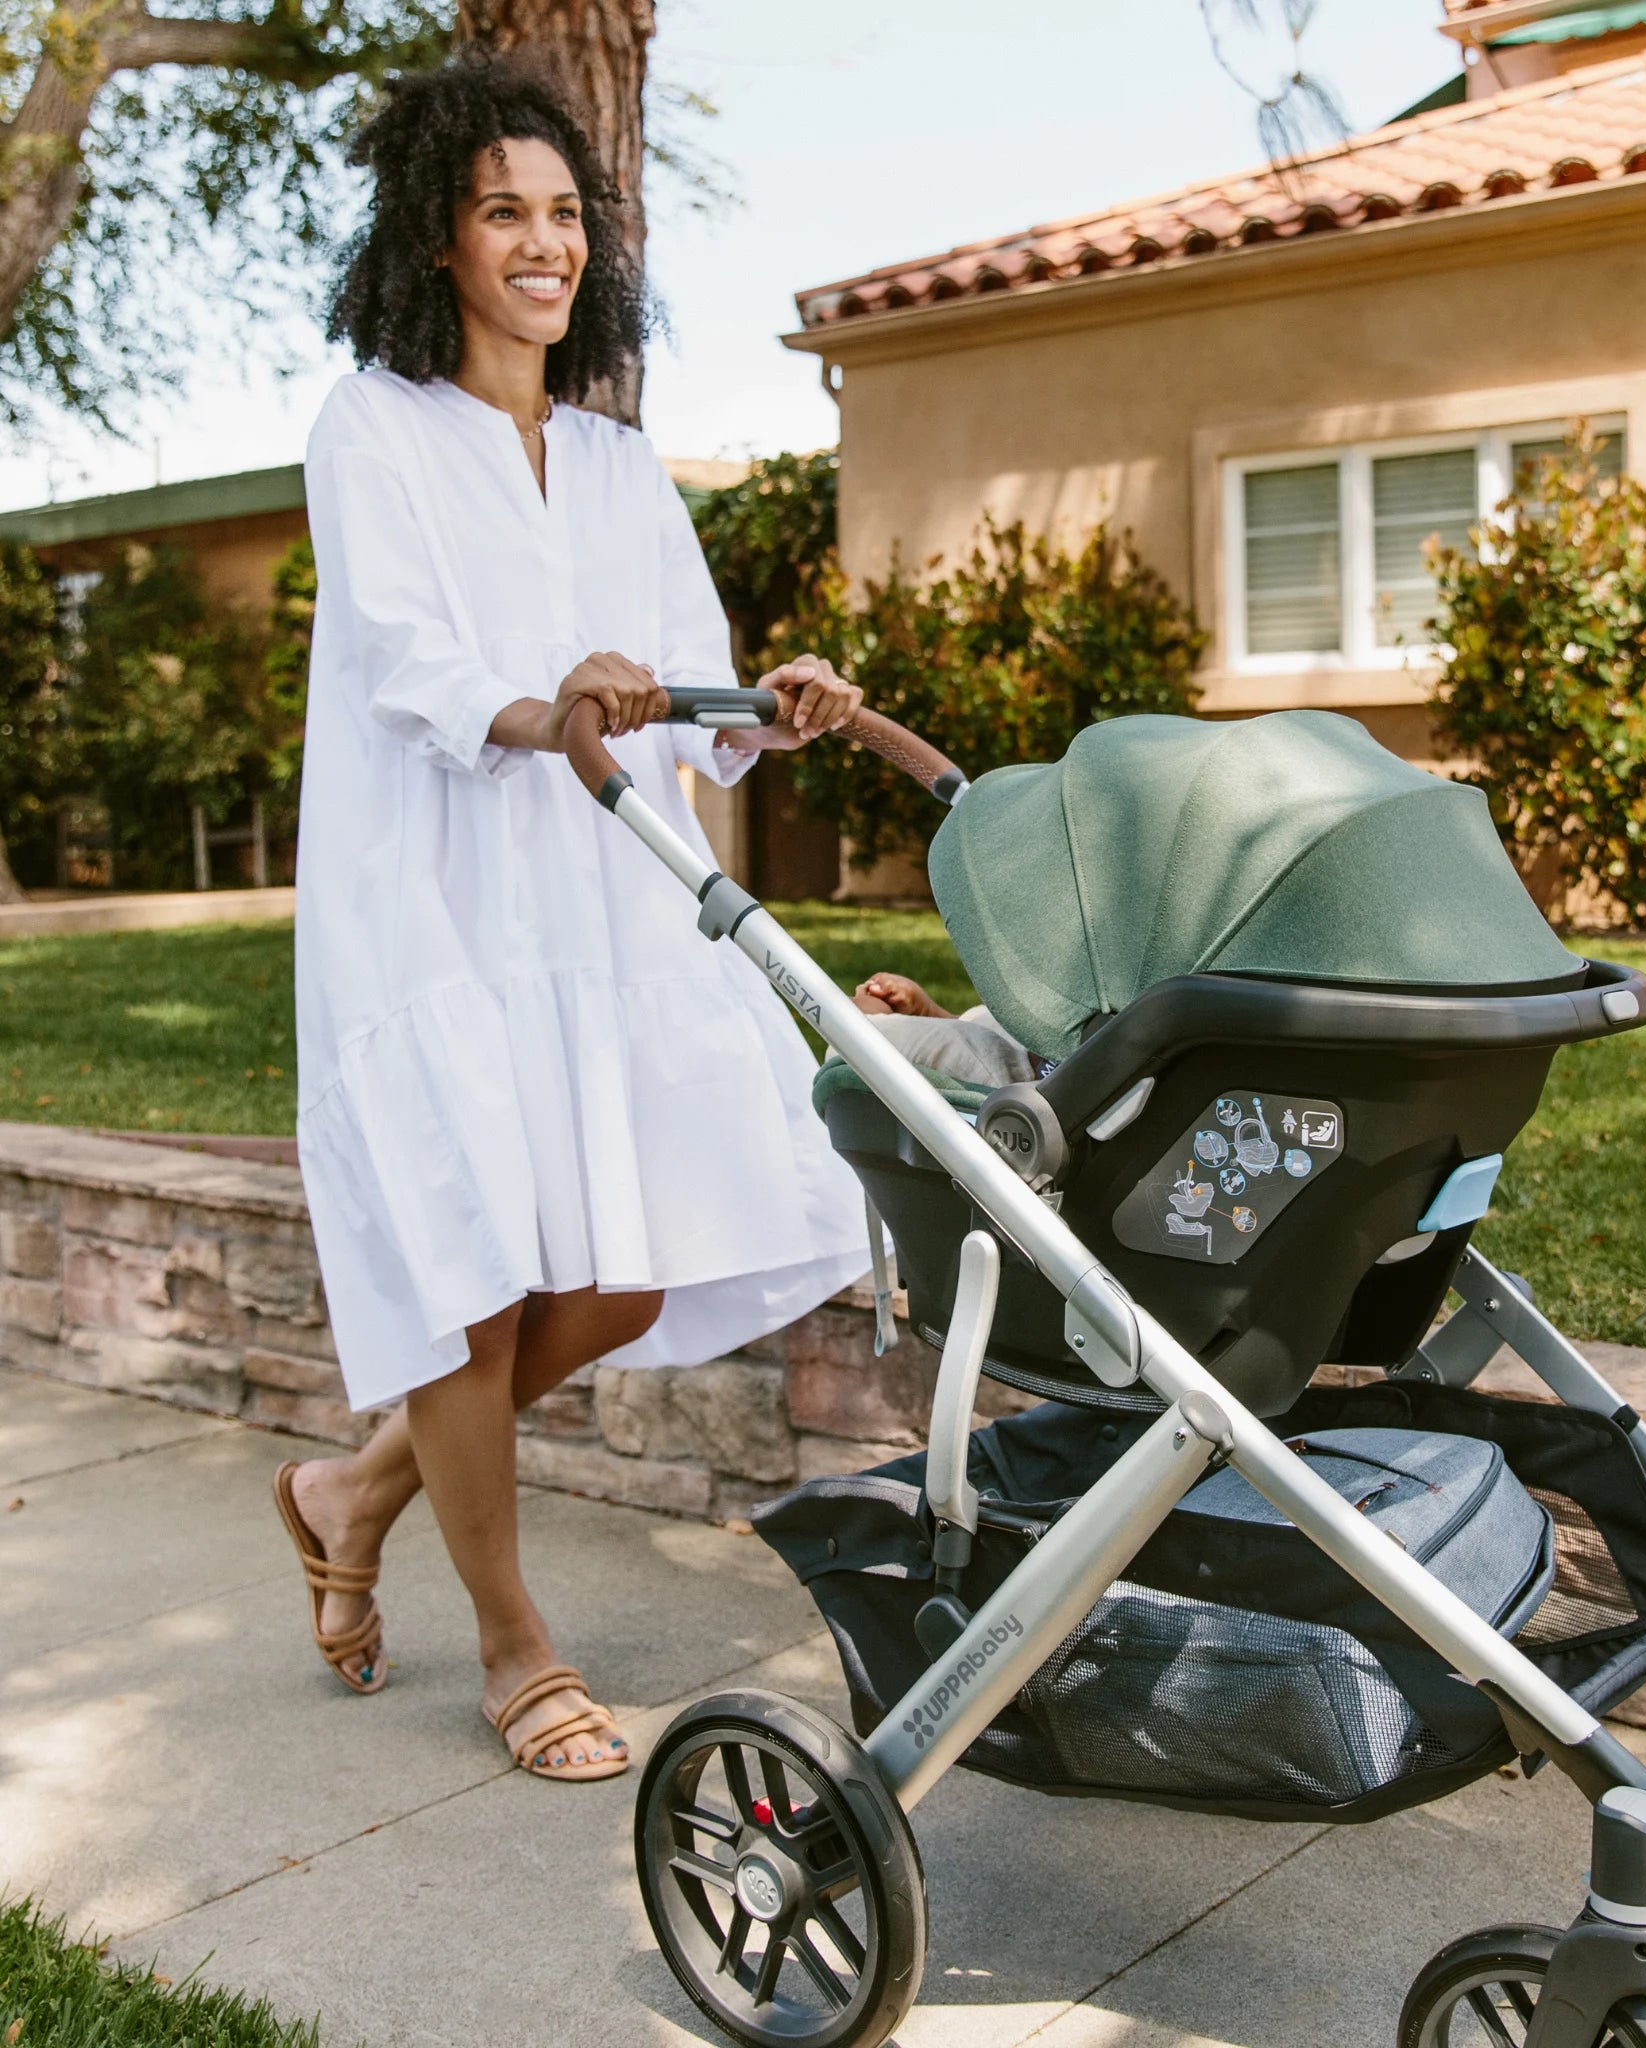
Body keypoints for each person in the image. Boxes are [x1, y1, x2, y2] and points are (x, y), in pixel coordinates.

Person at [272, 53, 872, 1783]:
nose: (541, 244)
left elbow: (677, 681)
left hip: (605, 896)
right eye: (500, 213)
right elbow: (405, 661)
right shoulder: (369, 427)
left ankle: (348, 1485)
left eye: (561, 215)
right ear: (437, 240)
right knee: (473, 1277)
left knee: (614, 1273)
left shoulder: (612, 456)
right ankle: (515, 1644)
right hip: (437, 900)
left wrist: (770, 701)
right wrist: (551, 706)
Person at [851, 971, 1042, 1088]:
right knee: (999, 1021)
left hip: (1026, 1091)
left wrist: (872, 1019)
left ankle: (868, 1022)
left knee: (848, 1047)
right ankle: (947, 1019)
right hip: (1050, 1050)